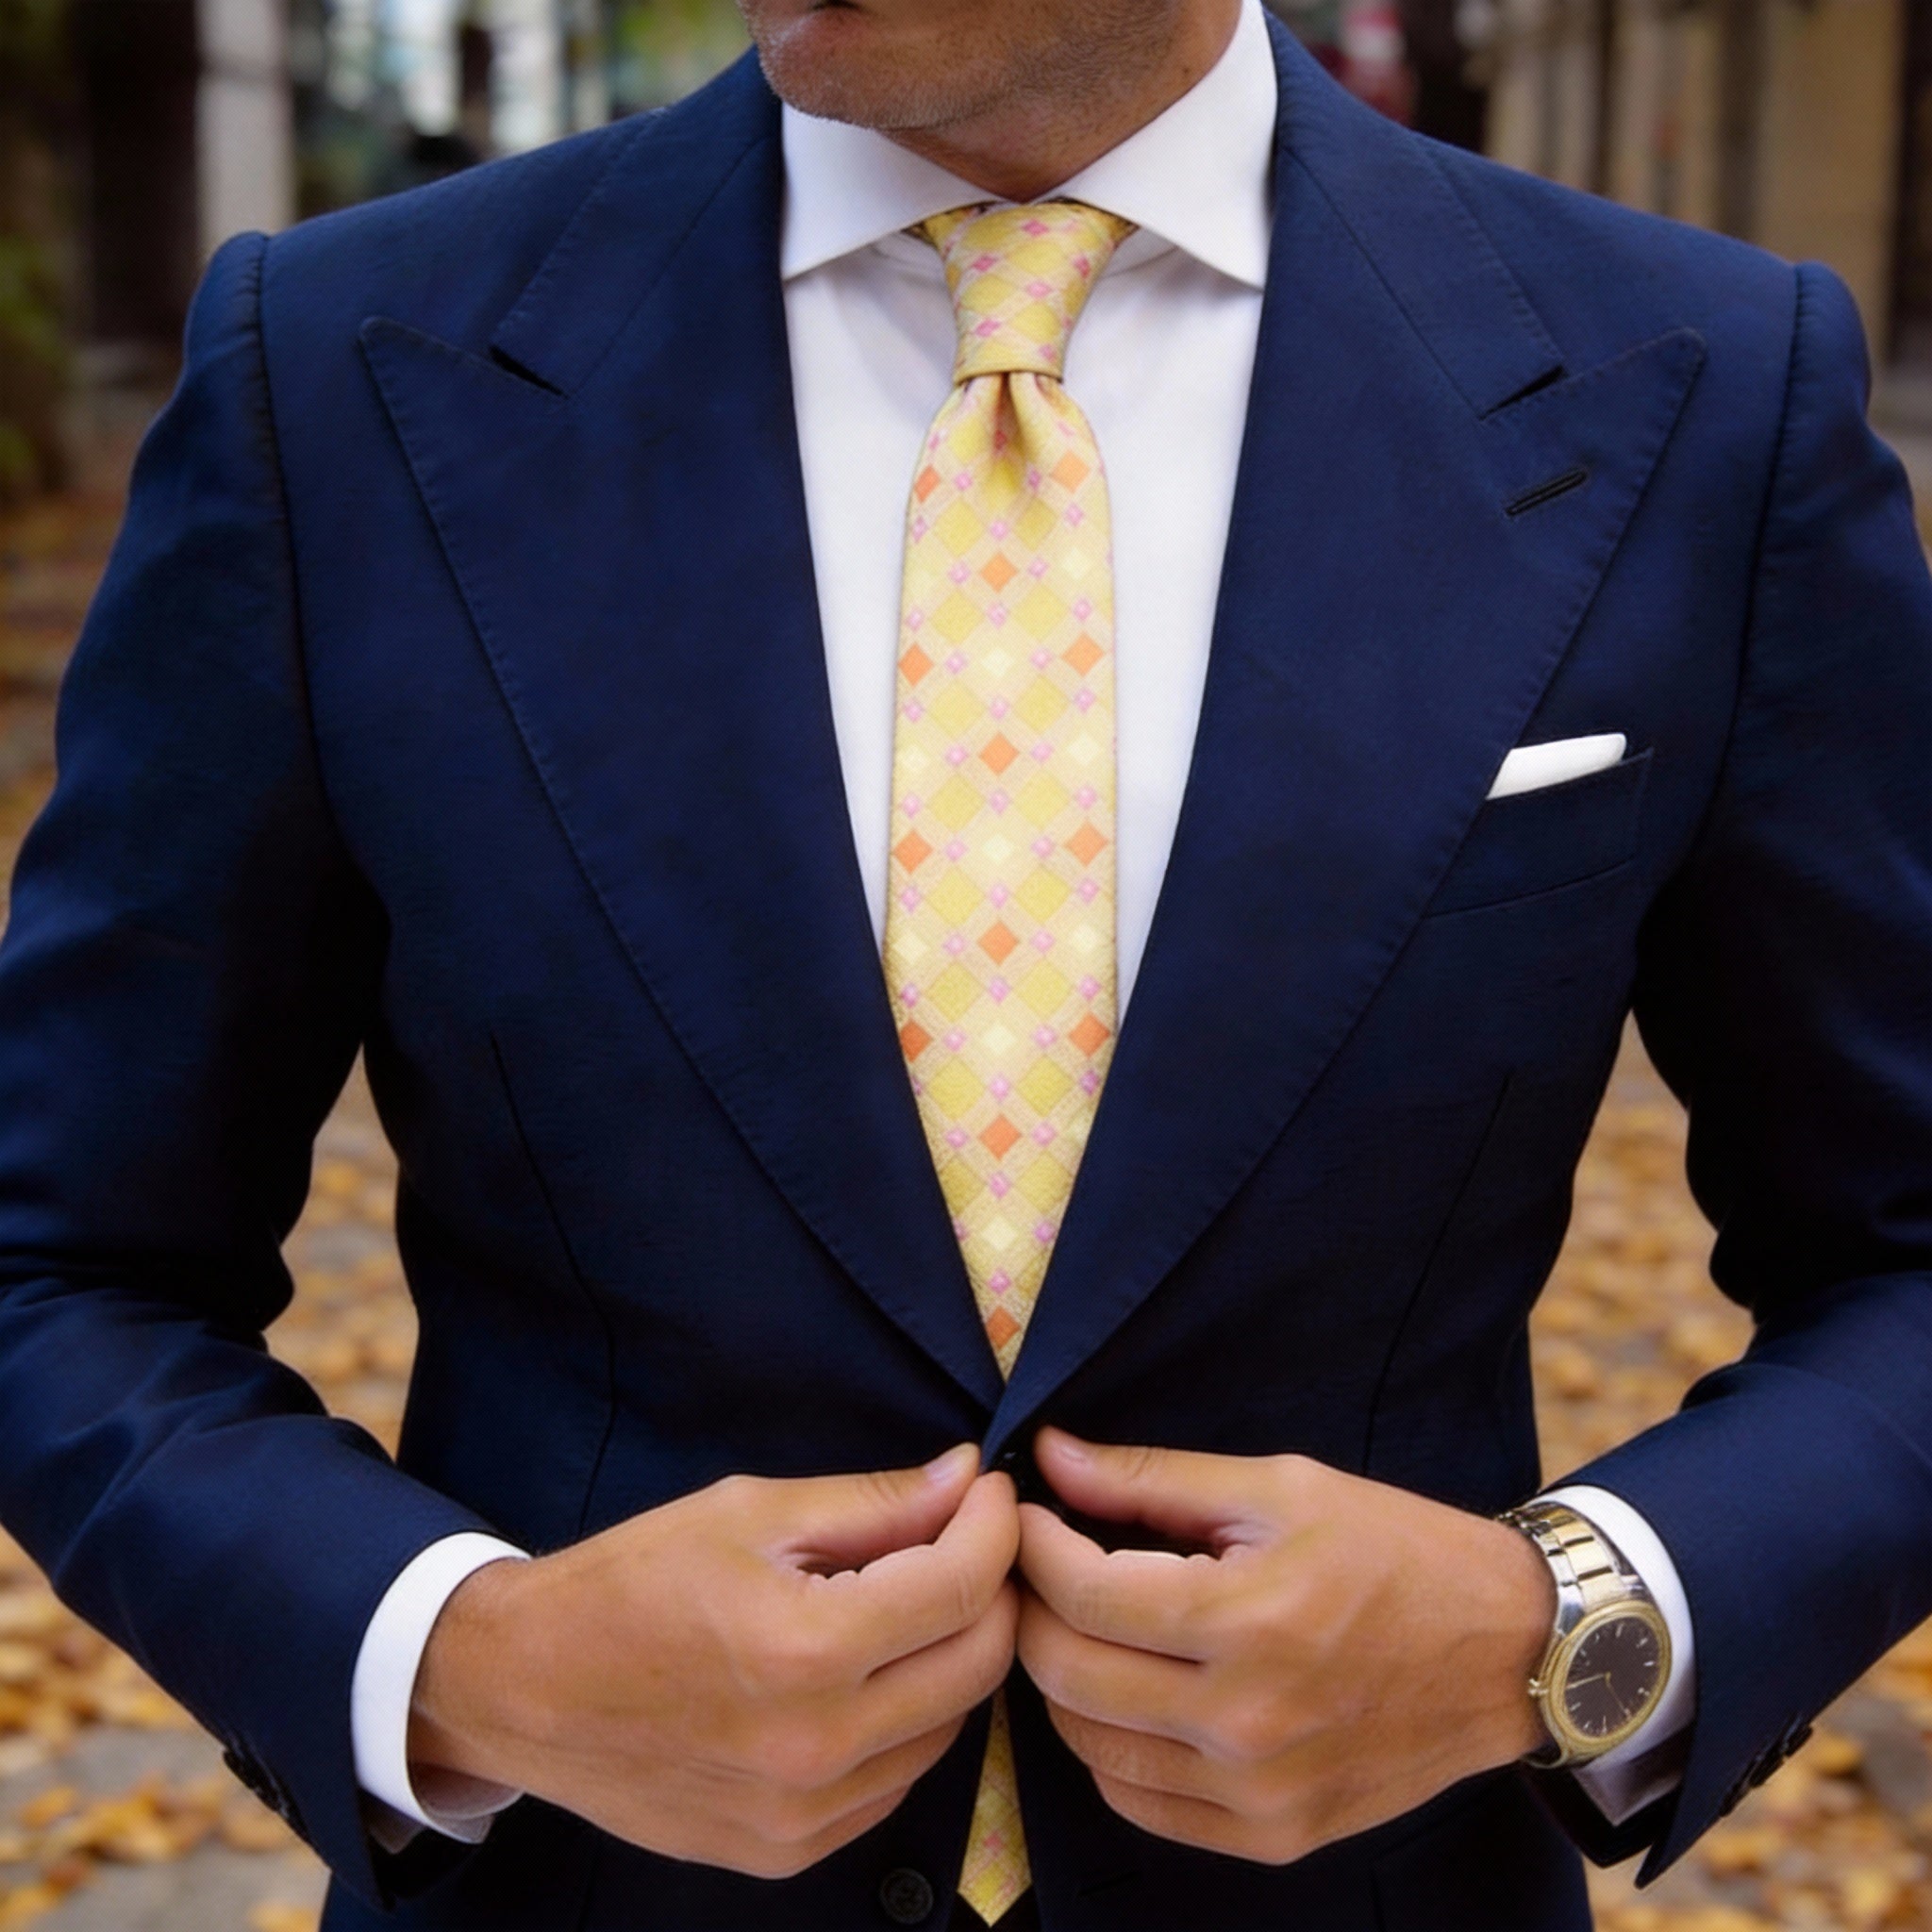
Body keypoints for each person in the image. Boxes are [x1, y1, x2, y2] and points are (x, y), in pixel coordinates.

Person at [0, 0, 1925, 1926]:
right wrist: (461, 1662)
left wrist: (1562, 1623)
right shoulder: (335, 371)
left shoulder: (1693, 388)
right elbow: (60, 1252)